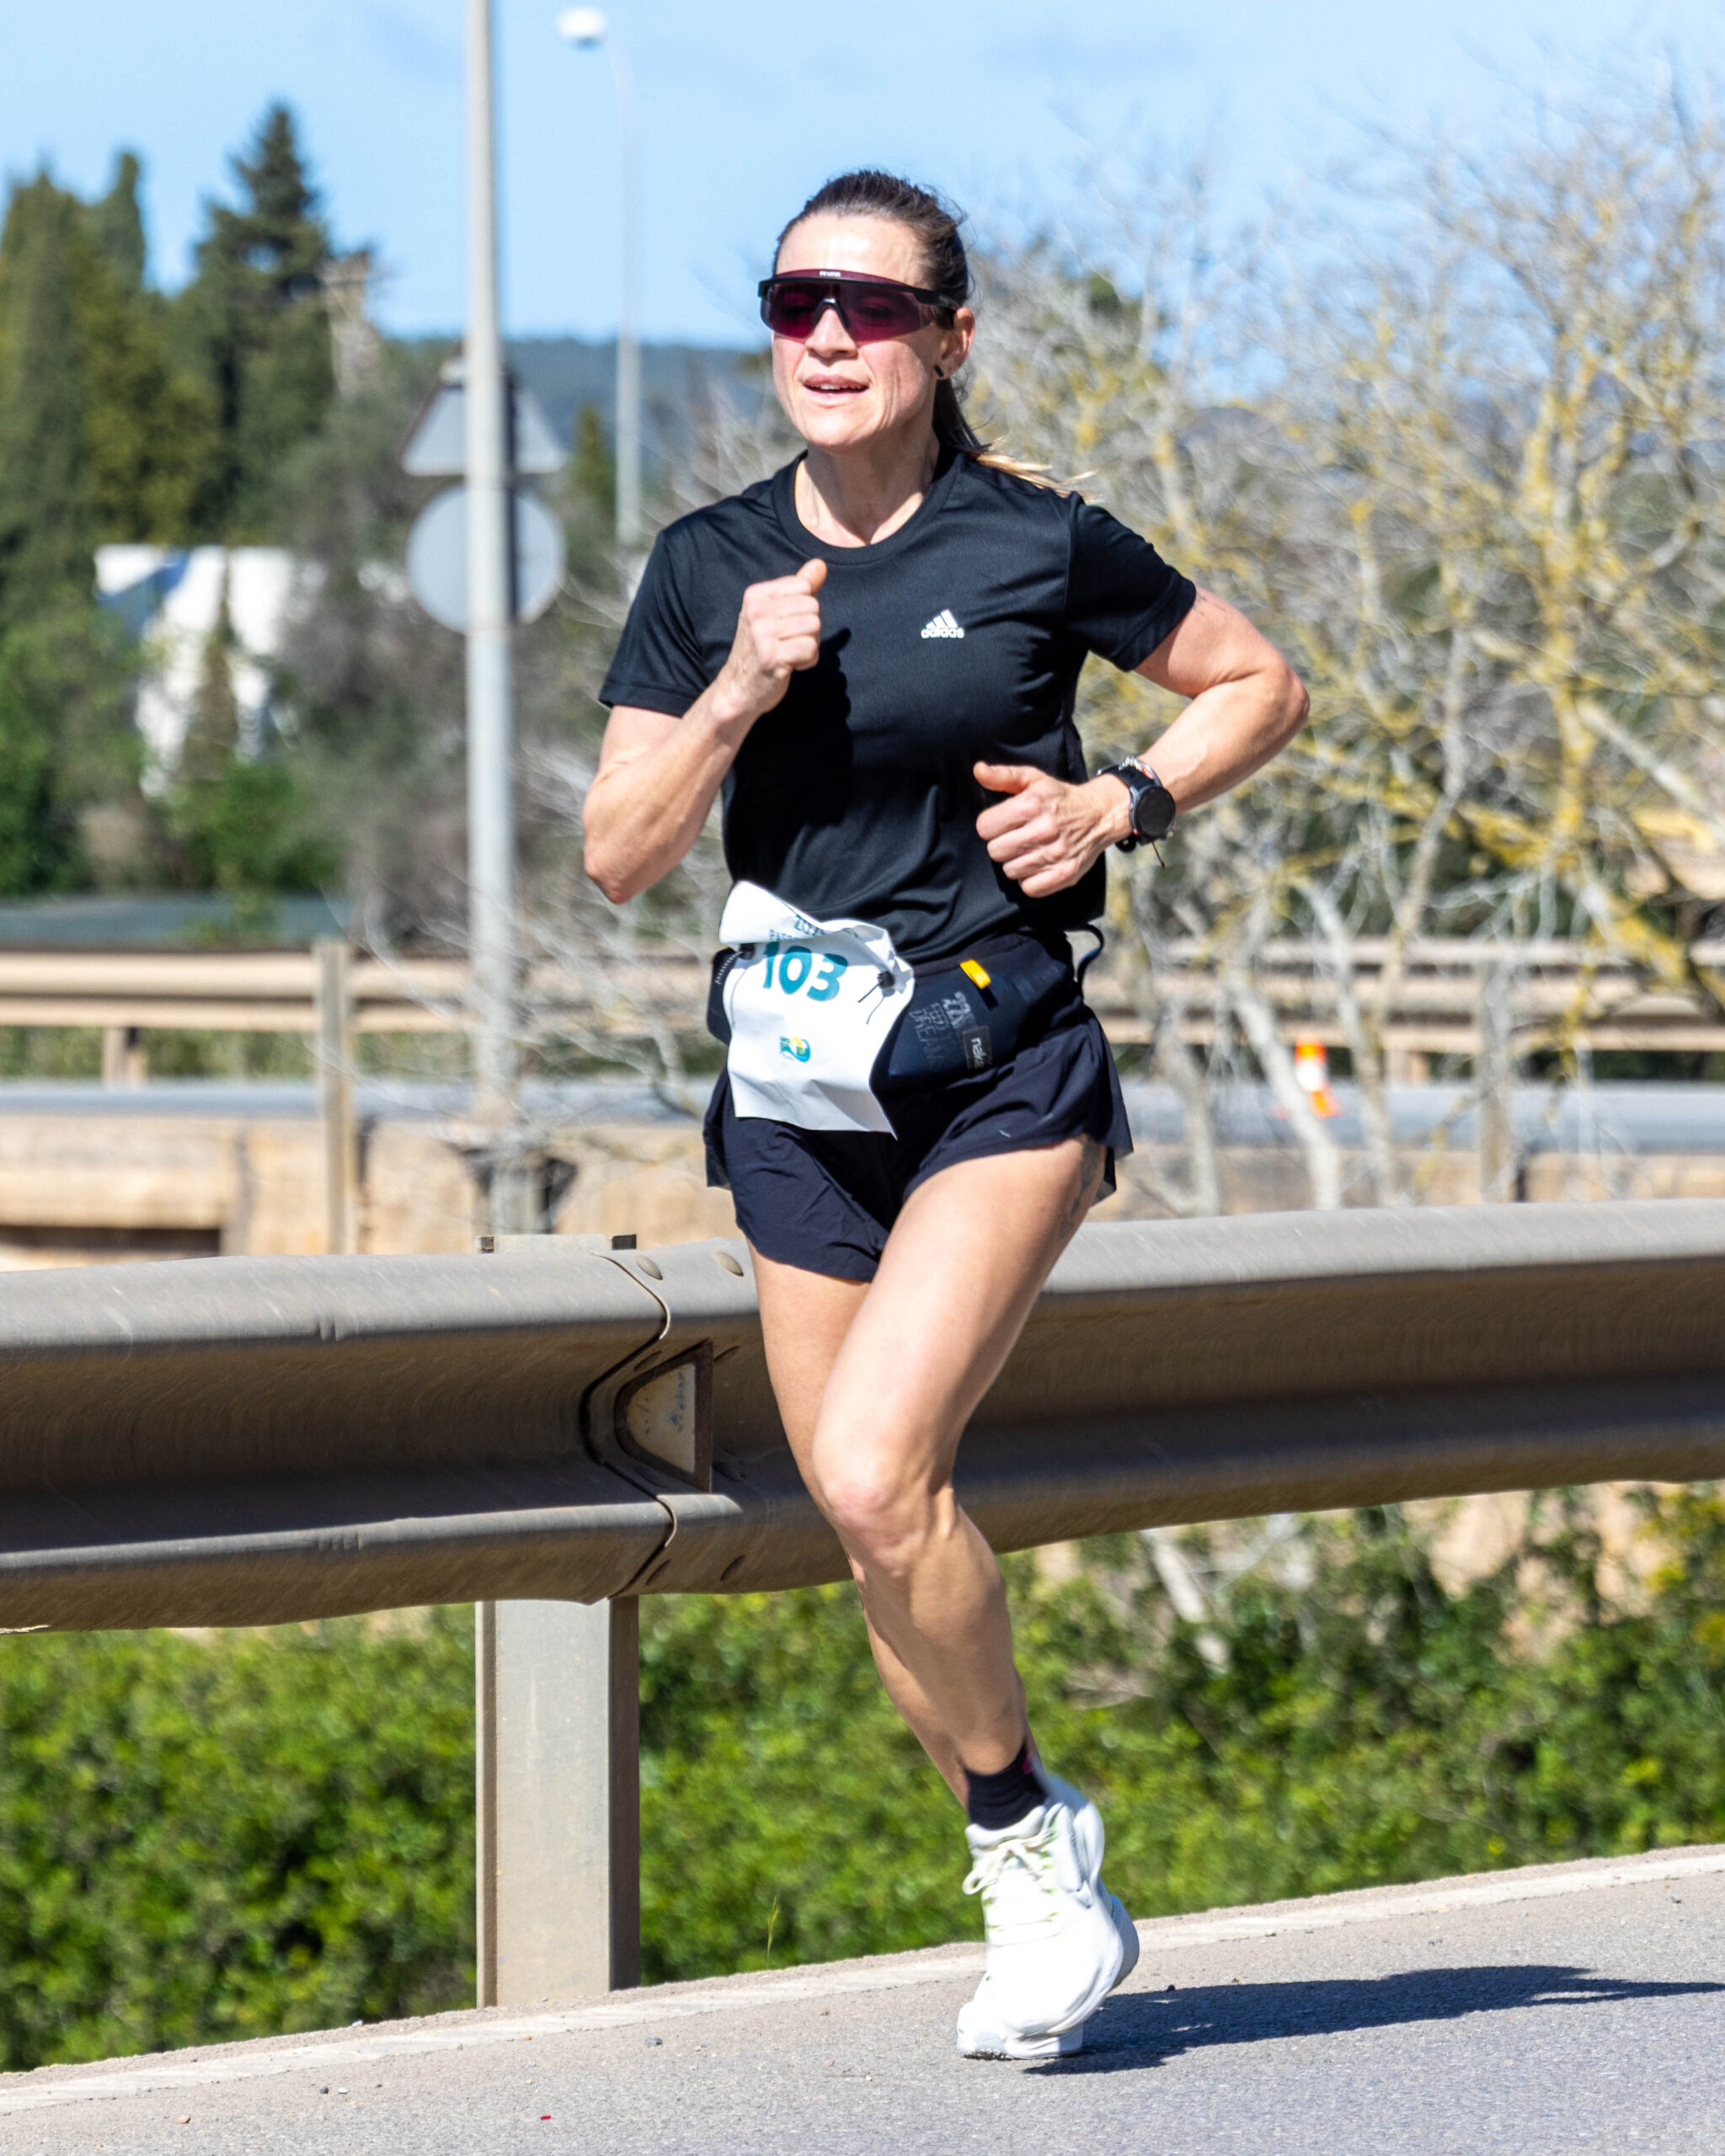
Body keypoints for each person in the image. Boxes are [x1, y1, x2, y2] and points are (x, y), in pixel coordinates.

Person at [585, 168, 1307, 2059]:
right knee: (871, 1519)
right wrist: (734, 692)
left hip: (1002, 1070)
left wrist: (1123, 800)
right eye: (794, 302)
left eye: (874, 305)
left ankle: (1025, 1860)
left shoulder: (1035, 540)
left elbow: (1258, 680)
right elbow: (616, 854)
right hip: (795, 1102)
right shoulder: (706, 566)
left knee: (870, 1465)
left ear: (948, 336)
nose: (828, 334)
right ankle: (1027, 1830)